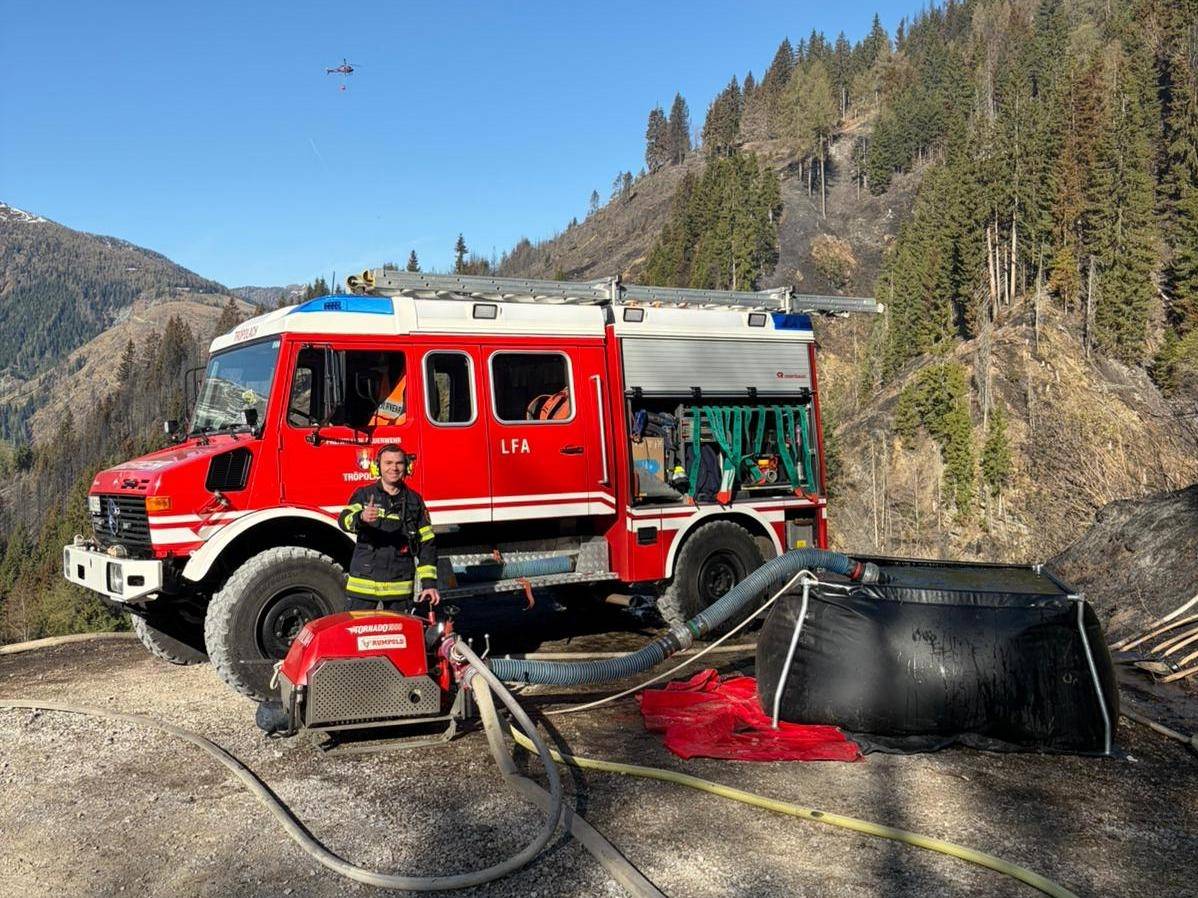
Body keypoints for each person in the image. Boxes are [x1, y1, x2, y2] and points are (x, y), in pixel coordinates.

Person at [337, 444, 440, 612]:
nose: (394, 468)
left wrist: (429, 584)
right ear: (378, 467)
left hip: (399, 589)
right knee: (358, 629)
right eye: (388, 463)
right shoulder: (364, 495)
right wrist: (361, 517)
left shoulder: (414, 501)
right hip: (364, 587)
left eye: (399, 463)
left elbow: (427, 544)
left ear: (407, 467)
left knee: (400, 630)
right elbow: (343, 520)